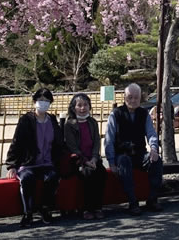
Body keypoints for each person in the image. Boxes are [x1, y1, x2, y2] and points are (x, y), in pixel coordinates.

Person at [5, 88, 64, 227]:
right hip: (28, 163)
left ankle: (45, 209)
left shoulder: (52, 120)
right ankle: (28, 213)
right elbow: (17, 142)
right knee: (27, 179)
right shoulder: (26, 120)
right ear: (34, 101)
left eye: (47, 101)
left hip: (47, 163)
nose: (43, 103)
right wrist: (12, 165)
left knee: (53, 177)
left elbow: (59, 143)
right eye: (41, 100)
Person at [104, 83, 163, 215]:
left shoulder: (144, 114)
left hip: (140, 153)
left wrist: (154, 149)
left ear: (140, 98)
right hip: (122, 155)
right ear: (124, 97)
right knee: (124, 161)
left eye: (136, 97)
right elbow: (109, 139)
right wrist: (111, 162)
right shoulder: (116, 114)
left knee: (156, 160)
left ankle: (152, 199)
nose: (133, 100)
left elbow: (151, 134)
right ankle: (133, 202)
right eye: (130, 97)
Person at [64, 92, 107, 220]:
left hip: (93, 159)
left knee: (101, 172)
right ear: (73, 107)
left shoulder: (92, 122)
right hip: (78, 160)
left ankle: (98, 207)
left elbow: (96, 142)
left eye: (85, 105)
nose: (83, 108)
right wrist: (85, 161)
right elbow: (72, 146)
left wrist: (94, 158)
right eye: (79, 105)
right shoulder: (69, 124)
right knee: (87, 174)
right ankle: (87, 208)